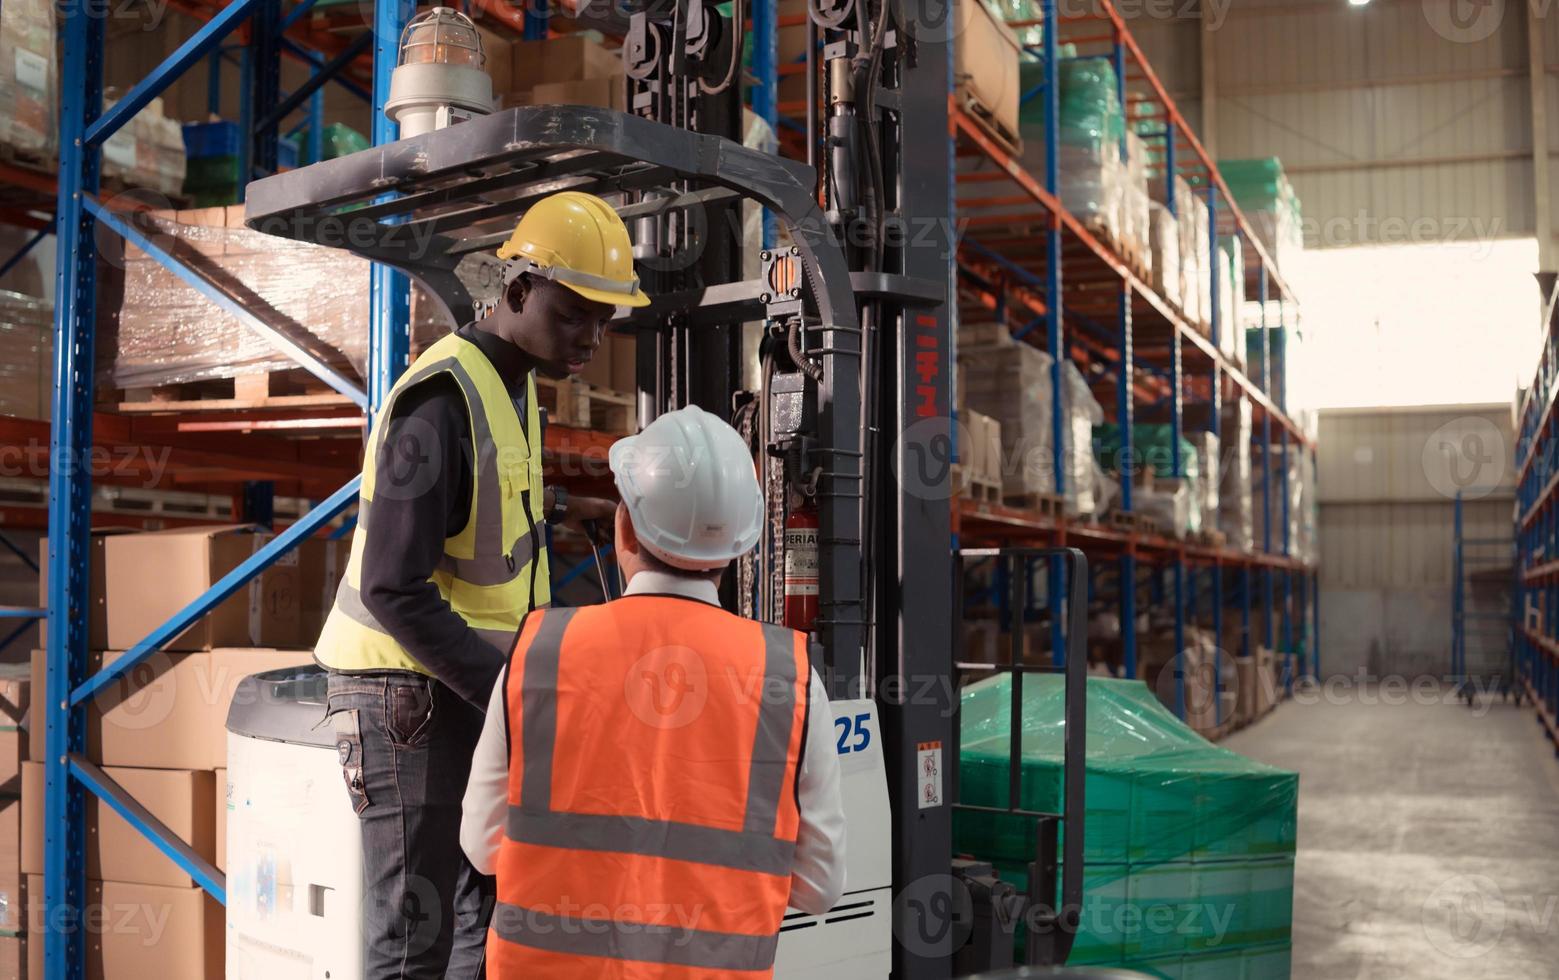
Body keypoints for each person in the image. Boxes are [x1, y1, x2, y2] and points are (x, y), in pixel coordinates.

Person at [313, 190, 649, 979]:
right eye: (574, 313)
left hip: (452, 688)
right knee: (413, 938)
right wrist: (506, 690)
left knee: (482, 908)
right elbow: (393, 587)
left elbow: (492, 557)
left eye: (603, 321)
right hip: (403, 696)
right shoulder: (442, 403)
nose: (591, 338)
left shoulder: (512, 383)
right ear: (518, 290)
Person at [460, 405, 847, 979]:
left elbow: (483, 845)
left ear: (623, 527)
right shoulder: (787, 677)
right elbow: (819, 887)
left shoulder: (539, 652)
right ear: (738, 547)